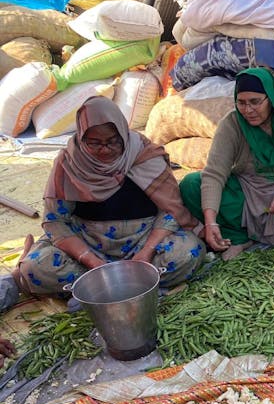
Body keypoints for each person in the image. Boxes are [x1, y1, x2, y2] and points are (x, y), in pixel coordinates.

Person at [12, 96, 206, 297]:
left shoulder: (144, 155)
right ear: (81, 137)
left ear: (122, 132)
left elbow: (171, 210)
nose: (104, 150)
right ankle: (128, 284)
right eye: (94, 143)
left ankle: (97, 289)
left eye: (112, 141)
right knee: (35, 268)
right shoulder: (69, 163)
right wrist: (92, 261)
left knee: (187, 253)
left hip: (144, 240)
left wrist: (146, 252)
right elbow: (55, 222)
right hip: (87, 244)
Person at [179, 67, 274, 259]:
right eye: (241, 103)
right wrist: (210, 223)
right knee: (192, 185)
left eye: (255, 102)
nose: (248, 110)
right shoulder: (233, 124)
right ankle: (239, 237)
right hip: (248, 190)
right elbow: (214, 174)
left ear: (271, 98)